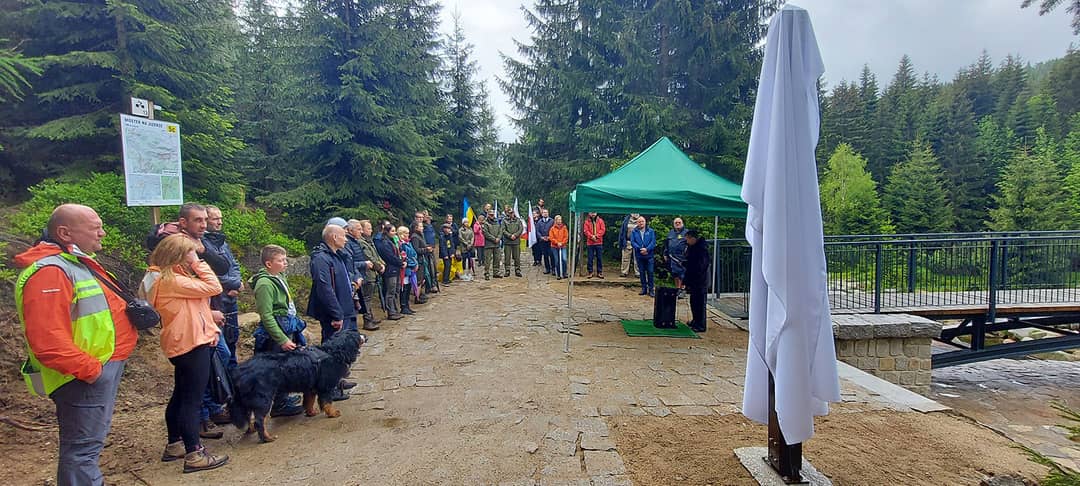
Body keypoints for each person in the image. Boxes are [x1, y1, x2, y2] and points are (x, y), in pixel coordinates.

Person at [15, 204, 139, 485]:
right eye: (95, 228)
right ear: (65, 233)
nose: (102, 233)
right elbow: (47, 340)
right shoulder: (51, 272)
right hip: (81, 376)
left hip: (95, 369)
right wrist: (91, 370)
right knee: (82, 452)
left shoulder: (73, 262)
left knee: (87, 449)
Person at [142, 234, 228, 473]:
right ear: (179, 255)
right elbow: (214, 287)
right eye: (190, 253)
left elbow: (191, 308)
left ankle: (175, 444)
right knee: (192, 399)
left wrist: (209, 327)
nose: (195, 256)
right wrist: (198, 263)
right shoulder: (171, 280)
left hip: (184, 341)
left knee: (181, 395)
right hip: (191, 344)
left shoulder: (165, 278)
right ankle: (194, 454)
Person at [250, 245, 306, 417]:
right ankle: (276, 406)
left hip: (287, 324)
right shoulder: (264, 284)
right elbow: (266, 315)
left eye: (285, 259)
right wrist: (282, 339)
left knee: (286, 366)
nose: (285, 263)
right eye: (281, 260)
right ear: (269, 264)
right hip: (276, 331)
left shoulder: (279, 276)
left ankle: (282, 399)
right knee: (276, 369)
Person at [345, 219, 379, 331]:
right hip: (357, 276)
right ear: (350, 230)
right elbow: (350, 263)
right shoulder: (348, 244)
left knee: (367, 298)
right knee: (364, 299)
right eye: (358, 229)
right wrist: (364, 264)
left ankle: (370, 317)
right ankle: (367, 320)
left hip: (362, 274)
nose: (361, 231)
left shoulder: (355, 241)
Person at [354, 220, 385, 330]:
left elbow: (376, 255)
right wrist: (379, 267)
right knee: (366, 298)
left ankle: (370, 317)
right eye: (368, 228)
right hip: (367, 273)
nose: (371, 230)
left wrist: (382, 263)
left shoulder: (369, 241)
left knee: (369, 297)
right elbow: (368, 256)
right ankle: (367, 320)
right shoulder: (361, 242)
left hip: (372, 273)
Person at [683, 230, 712, 333]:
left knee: (700, 303)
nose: (686, 241)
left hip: (701, 280)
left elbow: (701, 266)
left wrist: (690, 266)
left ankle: (701, 325)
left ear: (692, 238)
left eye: (687, 239)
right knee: (694, 302)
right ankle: (695, 320)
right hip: (694, 280)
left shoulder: (702, 249)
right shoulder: (692, 247)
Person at [374, 222, 404, 320]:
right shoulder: (384, 243)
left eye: (395, 231)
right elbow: (389, 256)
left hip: (396, 268)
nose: (394, 233)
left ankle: (395, 309)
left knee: (396, 290)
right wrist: (400, 262)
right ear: (387, 232)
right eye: (392, 231)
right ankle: (391, 311)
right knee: (390, 291)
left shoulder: (391, 241)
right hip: (390, 269)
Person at [630, 216, 657, 297]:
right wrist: (639, 249)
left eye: (642, 221)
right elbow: (633, 242)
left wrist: (647, 249)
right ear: (637, 223)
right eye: (639, 222)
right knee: (641, 272)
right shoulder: (634, 231)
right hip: (639, 255)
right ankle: (644, 289)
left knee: (650, 272)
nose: (641, 223)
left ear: (645, 222)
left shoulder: (651, 231)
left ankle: (651, 289)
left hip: (649, 255)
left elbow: (653, 242)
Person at [397, 226, 419, 315]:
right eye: (406, 233)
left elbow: (414, 254)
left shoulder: (408, 243)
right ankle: (403, 306)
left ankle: (407, 305)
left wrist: (415, 262)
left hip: (411, 268)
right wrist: (413, 263)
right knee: (404, 287)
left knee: (409, 286)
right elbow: (404, 257)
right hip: (405, 269)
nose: (408, 235)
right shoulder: (401, 245)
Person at [665, 218, 688, 291]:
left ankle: (683, 289)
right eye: (676, 223)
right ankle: (677, 289)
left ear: (682, 223)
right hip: (672, 257)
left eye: (679, 222)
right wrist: (665, 254)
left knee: (682, 274)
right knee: (675, 274)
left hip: (682, 258)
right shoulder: (671, 232)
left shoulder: (686, 232)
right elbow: (667, 244)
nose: (677, 224)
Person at [501, 207, 524, 277]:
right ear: (507, 213)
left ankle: (517, 270)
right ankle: (507, 270)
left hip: (516, 241)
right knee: (507, 257)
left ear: (514, 213)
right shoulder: (504, 220)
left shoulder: (518, 220)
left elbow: (521, 229)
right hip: (507, 242)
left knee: (517, 257)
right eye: (510, 213)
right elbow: (503, 230)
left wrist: (515, 235)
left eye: (512, 213)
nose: (511, 214)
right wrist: (510, 235)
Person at [617, 213, 641, 278]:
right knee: (625, 258)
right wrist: (620, 241)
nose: (635, 214)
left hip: (638, 242)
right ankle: (624, 272)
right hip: (628, 241)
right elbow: (622, 231)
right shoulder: (626, 220)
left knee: (638, 258)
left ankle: (638, 273)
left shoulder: (641, 220)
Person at [583, 212, 606, 279]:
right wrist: (591, 236)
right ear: (589, 213)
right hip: (590, 243)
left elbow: (603, 230)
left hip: (599, 242)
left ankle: (599, 272)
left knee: (599, 258)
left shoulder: (600, 221)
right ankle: (590, 272)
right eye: (591, 212)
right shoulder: (587, 221)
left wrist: (596, 236)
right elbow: (586, 231)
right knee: (590, 258)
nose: (593, 214)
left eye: (594, 212)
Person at [481, 212, 502, 279]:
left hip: (497, 244)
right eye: (490, 215)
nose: (492, 216)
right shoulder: (485, 223)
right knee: (487, 260)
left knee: (497, 259)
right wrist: (494, 239)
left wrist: (498, 238)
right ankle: (486, 273)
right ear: (488, 215)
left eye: (492, 215)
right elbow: (486, 233)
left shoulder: (497, 222)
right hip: (489, 244)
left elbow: (500, 231)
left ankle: (496, 272)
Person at [548, 215, 569, 279]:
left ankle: (564, 273)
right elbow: (551, 238)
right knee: (557, 260)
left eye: (560, 219)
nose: (560, 221)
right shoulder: (552, 229)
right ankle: (558, 274)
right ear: (556, 220)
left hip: (563, 246)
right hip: (554, 246)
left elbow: (566, 237)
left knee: (564, 259)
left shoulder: (564, 228)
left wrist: (562, 243)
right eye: (558, 220)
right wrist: (557, 243)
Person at [535, 208, 554, 274]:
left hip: (550, 240)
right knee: (545, 255)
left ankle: (553, 269)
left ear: (548, 213)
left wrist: (549, 237)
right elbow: (537, 231)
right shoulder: (539, 222)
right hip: (542, 241)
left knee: (551, 254)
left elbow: (554, 230)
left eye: (546, 212)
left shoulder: (552, 221)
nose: (545, 213)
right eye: (544, 212)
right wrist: (541, 237)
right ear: (542, 214)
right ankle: (547, 269)